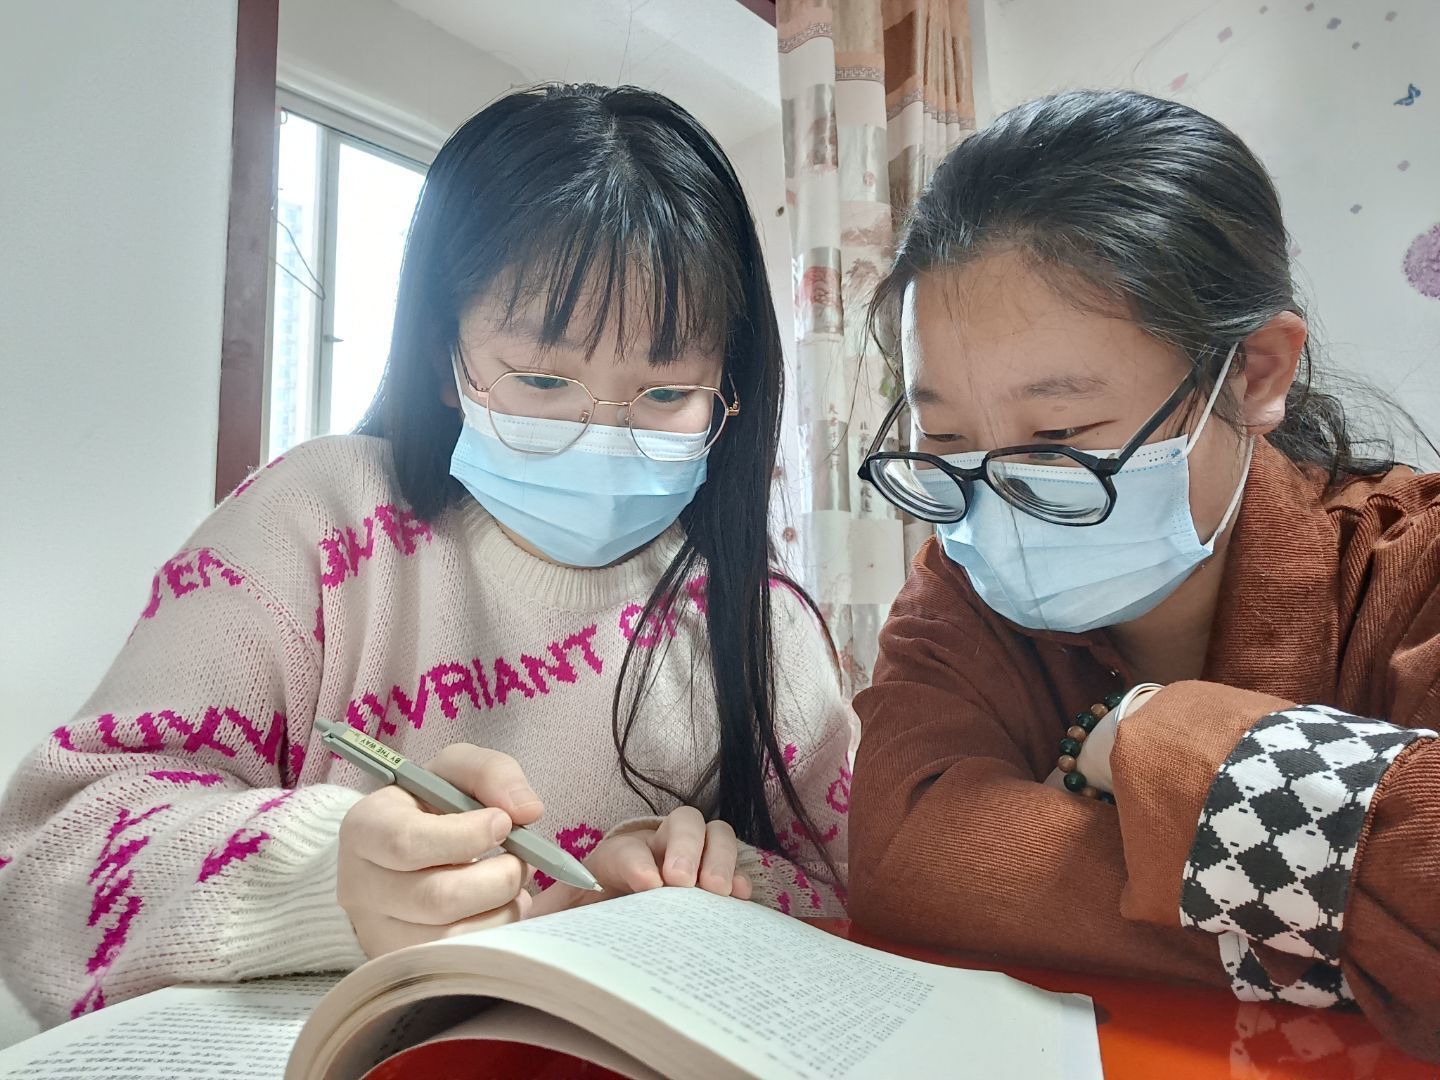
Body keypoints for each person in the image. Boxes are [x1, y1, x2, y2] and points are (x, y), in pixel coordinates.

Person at [0, 84, 851, 1029]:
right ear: (446, 352)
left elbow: (856, 907)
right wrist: (327, 878)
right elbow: (44, 861)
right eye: (541, 378)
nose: (601, 434)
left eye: (665, 394)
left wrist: (704, 889)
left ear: (729, 386)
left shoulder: (763, 625)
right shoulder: (315, 527)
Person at [847, 89, 1439, 1062]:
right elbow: (904, 854)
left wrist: (1151, 735)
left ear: (1254, 373)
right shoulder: (957, 584)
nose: (994, 505)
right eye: (944, 439)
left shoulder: (1412, 567)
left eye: (1059, 435)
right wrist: (1371, 939)